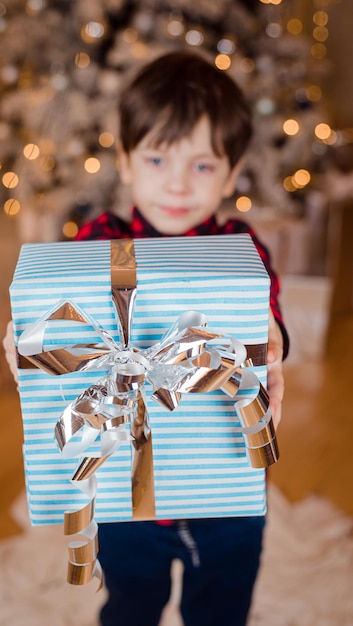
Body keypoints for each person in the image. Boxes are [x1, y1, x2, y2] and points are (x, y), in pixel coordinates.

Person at [73, 50, 289, 626]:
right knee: (130, 603)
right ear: (123, 160)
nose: (176, 182)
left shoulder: (241, 246)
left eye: (201, 166)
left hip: (225, 481)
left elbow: (266, 319)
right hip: (125, 488)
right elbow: (57, 323)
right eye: (157, 157)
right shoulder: (100, 243)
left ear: (232, 168)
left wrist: (272, 347)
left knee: (221, 606)